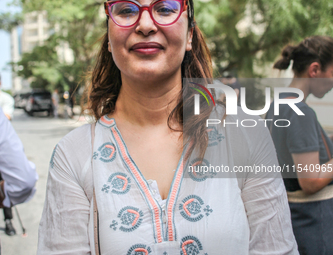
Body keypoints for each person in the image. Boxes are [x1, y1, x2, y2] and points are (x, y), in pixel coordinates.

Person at [38, 0, 298, 254]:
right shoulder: (73, 154)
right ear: (109, 37)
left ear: (189, 36)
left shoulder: (243, 133)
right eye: (127, 9)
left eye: (165, 8)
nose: (146, 24)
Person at [266, 36, 333, 255]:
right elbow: (311, 181)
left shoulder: (278, 104)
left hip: (294, 221)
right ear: (315, 70)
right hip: (313, 225)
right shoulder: (300, 112)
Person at [0, 103, 38, 254]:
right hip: (3, 148)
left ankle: (8, 220)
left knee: (3, 181)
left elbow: (9, 116)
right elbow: (23, 181)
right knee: (6, 188)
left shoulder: (4, 99)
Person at [0, 71, 17, 236]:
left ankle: (8, 220)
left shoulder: (6, 99)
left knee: (4, 185)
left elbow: (5, 119)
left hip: (0, 150)